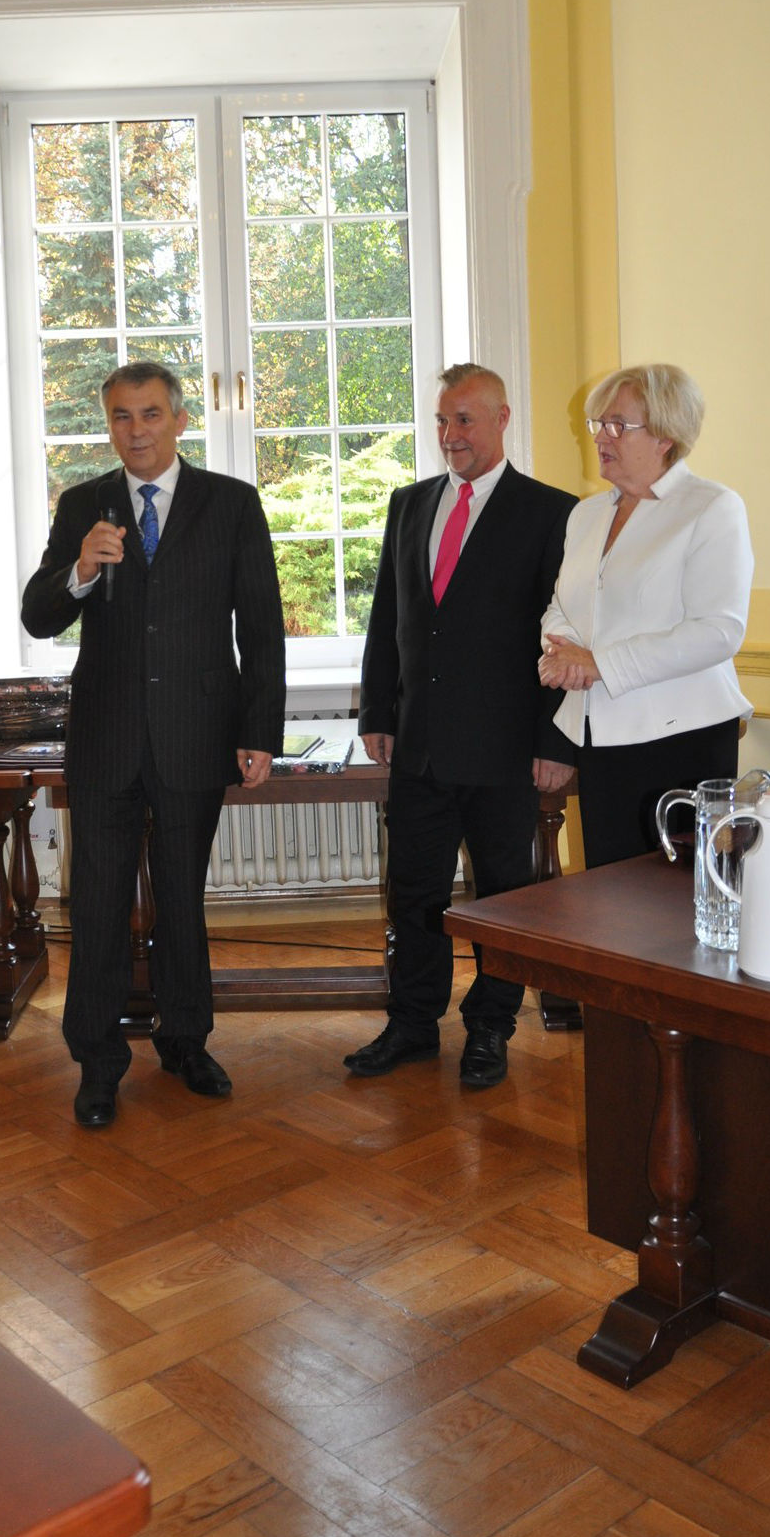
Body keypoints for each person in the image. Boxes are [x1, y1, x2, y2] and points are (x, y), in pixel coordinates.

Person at [20, 361, 285, 1128]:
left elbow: (260, 625)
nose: (135, 430)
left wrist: (258, 732)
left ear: (179, 420)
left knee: (179, 899)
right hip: (104, 741)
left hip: (196, 734)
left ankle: (185, 1042)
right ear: (108, 424)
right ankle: (97, 1063)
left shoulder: (230, 503)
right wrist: (78, 568)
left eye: (149, 414)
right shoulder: (83, 504)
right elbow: (39, 615)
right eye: (120, 416)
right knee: (98, 905)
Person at [346, 364, 577, 1091]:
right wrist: (378, 711)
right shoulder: (410, 504)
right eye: (442, 420)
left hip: (507, 751)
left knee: (505, 899)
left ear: (502, 418)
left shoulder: (552, 513)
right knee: (413, 893)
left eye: (465, 420)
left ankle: (490, 1029)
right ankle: (413, 1025)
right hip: (419, 746)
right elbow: (389, 616)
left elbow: (565, 637)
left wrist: (554, 743)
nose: (450, 435)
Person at [538, 363, 754, 867]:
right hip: (600, 733)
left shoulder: (712, 507)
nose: (600, 437)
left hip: (682, 736)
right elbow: (561, 604)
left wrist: (599, 664)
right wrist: (562, 651)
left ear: (665, 436)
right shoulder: (586, 514)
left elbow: (719, 630)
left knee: (676, 898)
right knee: (609, 895)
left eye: (618, 425)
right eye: (599, 423)